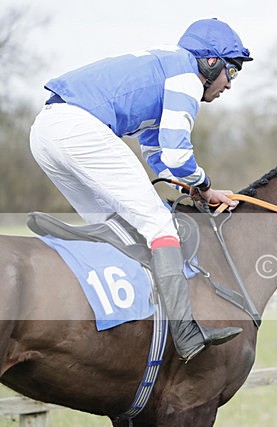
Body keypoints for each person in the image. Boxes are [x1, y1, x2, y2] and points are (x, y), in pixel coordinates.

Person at [29, 18, 252, 361]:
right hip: (79, 128)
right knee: (159, 227)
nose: (229, 85)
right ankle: (186, 332)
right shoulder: (187, 78)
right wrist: (205, 187)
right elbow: (178, 153)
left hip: (45, 131)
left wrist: (188, 185)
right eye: (231, 72)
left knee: (118, 223)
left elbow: (156, 152)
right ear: (211, 62)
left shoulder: (168, 68)